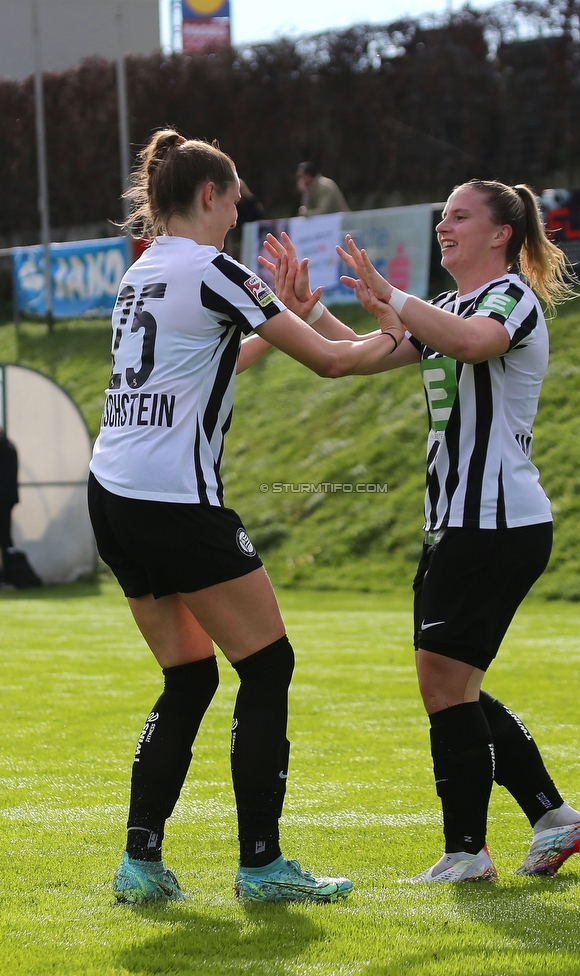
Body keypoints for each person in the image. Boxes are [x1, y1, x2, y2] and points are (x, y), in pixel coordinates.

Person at [87, 129, 404, 906]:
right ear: (208, 196)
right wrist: (411, 337)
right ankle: (262, 867)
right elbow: (333, 360)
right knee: (267, 666)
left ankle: (140, 863)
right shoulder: (215, 267)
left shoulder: (143, 274)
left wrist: (288, 313)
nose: (239, 212)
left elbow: (209, 360)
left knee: (188, 677)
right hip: (172, 501)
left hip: (113, 492)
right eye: (235, 199)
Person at [261, 179, 580, 883]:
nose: (445, 227)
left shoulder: (509, 297)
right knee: (452, 683)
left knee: (444, 684)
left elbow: (476, 344)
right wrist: (306, 309)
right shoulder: (444, 306)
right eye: (441, 217)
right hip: (459, 523)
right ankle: (549, 817)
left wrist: (395, 299)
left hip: (494, 521)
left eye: (460, 217)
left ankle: (468, 852)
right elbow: (359, 354)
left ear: (501, 233)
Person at [0, 426, 19, 578]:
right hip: (8, 498)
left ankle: (7, 573)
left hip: (3, 498)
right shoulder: (10, 447)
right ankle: (9, 572)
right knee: (6, 536)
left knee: (5, 536)